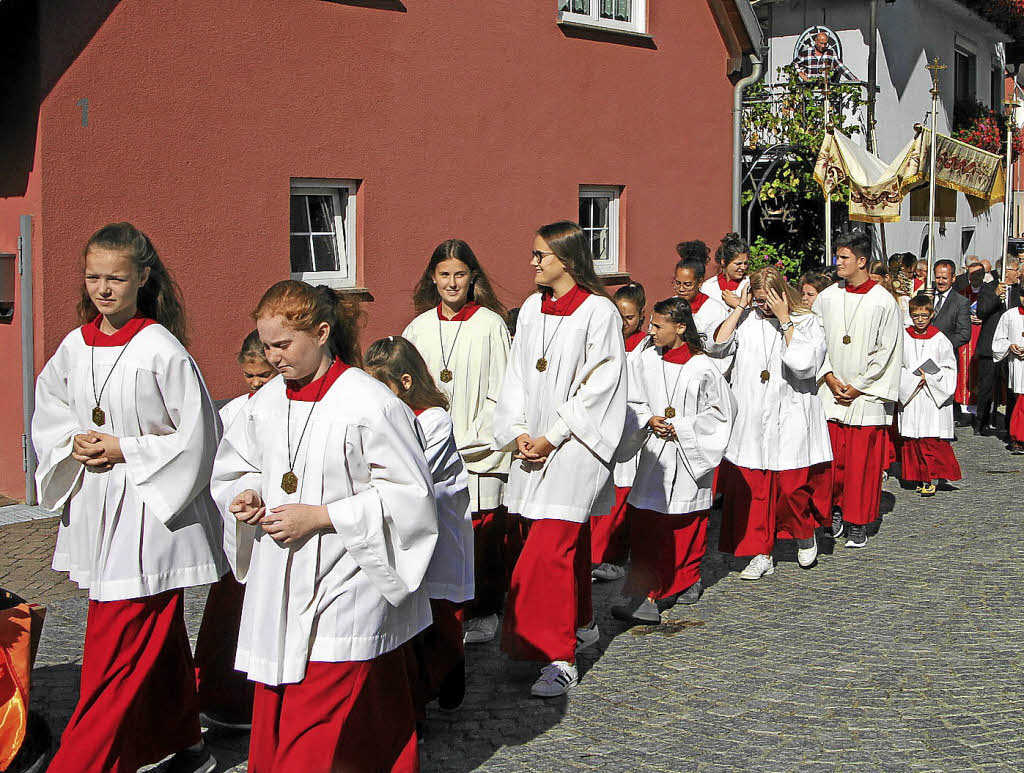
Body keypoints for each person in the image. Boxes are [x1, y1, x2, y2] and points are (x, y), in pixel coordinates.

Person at [211, 280, 436, 771]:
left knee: (320, 707)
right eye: (266, 345)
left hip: (347, 574)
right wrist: (246, 494)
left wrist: (321, 516)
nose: (273, 357)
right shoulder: (265, 403)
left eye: (282, 345)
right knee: (289, 701)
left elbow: (410, 496)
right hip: (280, 576)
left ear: (321, 332)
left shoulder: (369, 403)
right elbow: (238, 465)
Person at [32, 222, 226, 773]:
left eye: (115, 278)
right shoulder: (75, 345)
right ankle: (185, 742)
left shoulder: (161, 349)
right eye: (93, 277)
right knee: (154, 638)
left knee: (116, 647)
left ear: (143, 277)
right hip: (97, 506)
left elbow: (199, 436)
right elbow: (51, 409)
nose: (102, 289)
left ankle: (81, 763)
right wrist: (74, 440)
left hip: (150, 517)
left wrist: (126, 448)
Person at [493, 221, 626, 697]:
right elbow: (516, 375)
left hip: (575, 447)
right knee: (564, 541)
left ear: (566, 260)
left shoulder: (599, 312)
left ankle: (559, 656)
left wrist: (553, 435)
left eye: (540, 255)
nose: (532, 262)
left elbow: (602, 385)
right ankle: (582, 623)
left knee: (548, 550)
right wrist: (518, 431)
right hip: (533, 442)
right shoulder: (532, 309)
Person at [402, 239, 512, 645]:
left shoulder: (490, 324)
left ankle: (485, 610)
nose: (452, 283)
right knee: (440, 532)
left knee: (482, 534)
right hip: (431, 451)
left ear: (472, 278)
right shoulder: (417, 328)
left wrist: (472, 438)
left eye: (460, 274)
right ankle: (442, 610)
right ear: (432, 278)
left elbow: (502, 390)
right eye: (444, 274)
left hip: (479, 449)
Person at [365, 335, 473, 714]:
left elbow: (416, 472)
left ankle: (447, 675)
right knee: (411, 618)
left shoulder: (434, 419)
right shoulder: (384, 418)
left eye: (380, 385)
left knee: (441, 615)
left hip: (439, 532)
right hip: (401, 528)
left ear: (405, 382)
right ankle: (418, 698)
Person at [611, 297, 735, 623]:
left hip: (689, 455)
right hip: (654, 456)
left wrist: (682, 427)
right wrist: (647, 419)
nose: (651, 331)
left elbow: (722, 413)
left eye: (658, 326)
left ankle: (670, 587)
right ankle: (643, 590)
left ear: (680, 327)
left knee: (682, 524)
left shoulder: (703, 367)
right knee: (647, 525)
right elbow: (631, 400)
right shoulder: (645, 359)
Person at [713, 268, 832, 579]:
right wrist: (739, 307)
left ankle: (804, 534)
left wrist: (785, 320)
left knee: (791, 489)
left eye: (768, 300)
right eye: (759, 300)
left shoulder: (806, 321)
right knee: (756, 491)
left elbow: (804, 365)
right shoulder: (747, 319)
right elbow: (716, 349)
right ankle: (761, 553)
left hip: (791, 415)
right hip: (753, 417)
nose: (763, 307)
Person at [193, 329, 277, 731]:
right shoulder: (232, 413)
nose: (256, 383)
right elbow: (220, 472)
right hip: (240, 535)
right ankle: (222, 697)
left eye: (264, 375)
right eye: (249, 376)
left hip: (276, 529)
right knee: (229, 621)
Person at [813, 231, 903, 549]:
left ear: (862, 261)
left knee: (861, 466)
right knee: (833, 463)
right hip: (831, 392)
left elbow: (887, 350)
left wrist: (859, 386)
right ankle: (835, 512)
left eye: (844, 257)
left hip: (866, 396)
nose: (838, 262)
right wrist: (828, 376)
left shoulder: (883, 302)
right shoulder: (827, 298)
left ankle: (859, 521)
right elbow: (815, 342)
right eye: (838, 256)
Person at [591, 282, 648, 581]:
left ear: (641, 316)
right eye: (619, 316)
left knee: (622, 495)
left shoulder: (645, 347)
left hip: (630, 425)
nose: (623, 323)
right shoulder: (604, 340)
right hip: (602, 424)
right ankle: (593, 555)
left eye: (629, 317)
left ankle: (612, 558)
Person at [898, 295, 962, 496]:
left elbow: (950, 368)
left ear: (932, 315)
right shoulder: (903, 337)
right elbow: (896, 366)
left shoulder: (940, 339)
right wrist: (912, 379)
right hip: (911, 395)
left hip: (932, 398)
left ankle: (931, 478)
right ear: (910, 316)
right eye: (916, 316)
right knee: (913, 441)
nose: (920, 320)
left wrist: (931, 378)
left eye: (924, 316)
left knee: (930, 440)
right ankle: (918, 476)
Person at [673, 258, 731, 371]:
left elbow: (720, 350)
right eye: (678, 283)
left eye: (687, 284)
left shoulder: (715, 310)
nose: (681, 289)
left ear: (699, 282)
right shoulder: (669, 306)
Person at [954, 262, 988, 423]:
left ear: (983, 275)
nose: (974, 278)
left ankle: (981, 409)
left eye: (978, 274)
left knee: (980, 370)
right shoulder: (962, 293)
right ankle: (965, 409)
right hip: (967, 336)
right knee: (965, 370)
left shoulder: (989, 292)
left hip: (983, 334)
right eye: (971, 275)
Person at [992, 300, 1024, 453]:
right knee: (1020, 401)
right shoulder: (1010, 315)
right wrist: (1010, 346)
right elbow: (999, 340)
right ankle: (1018, 438)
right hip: (1018, 364)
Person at [702, 233, 750, 310]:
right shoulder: (708, 287)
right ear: (724, 262)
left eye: (745, 263)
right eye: (738, 264)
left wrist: (738, 304)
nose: (743, 267)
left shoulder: (750, 285)